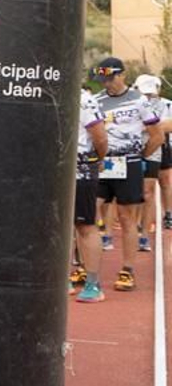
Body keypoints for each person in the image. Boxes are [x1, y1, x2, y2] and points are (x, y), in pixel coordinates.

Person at [94, 57, 161, 291]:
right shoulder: (96, 101)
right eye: (103, 79)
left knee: (126, 218)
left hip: (128, 163)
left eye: (110, 78)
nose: (107, 83)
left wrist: (141, 156)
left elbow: (157, 135)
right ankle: (85, 267)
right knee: (88, 215)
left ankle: (128, 269)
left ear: (122, 75)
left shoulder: (139, 101)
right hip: (102, 164)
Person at [73, 87, 109, 303]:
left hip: (81, 172)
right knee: (58, 226)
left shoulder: (84, 99)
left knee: (85, 225)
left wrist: (97, 159)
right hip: (50, 172)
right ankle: (63, 279)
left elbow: (101, 138)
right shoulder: (44, 89)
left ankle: (93, 283)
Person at [133, 74, 167, 243]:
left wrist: (145, 127)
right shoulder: (130, 103)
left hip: (152, 151)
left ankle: (144, 235)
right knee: (130, 195)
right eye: (144, 92)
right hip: (128, 152)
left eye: (150, 93)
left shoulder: (162, 105)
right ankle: (131, 230)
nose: (148, 96)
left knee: (147, 193)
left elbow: (166, 127)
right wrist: (150, 126)